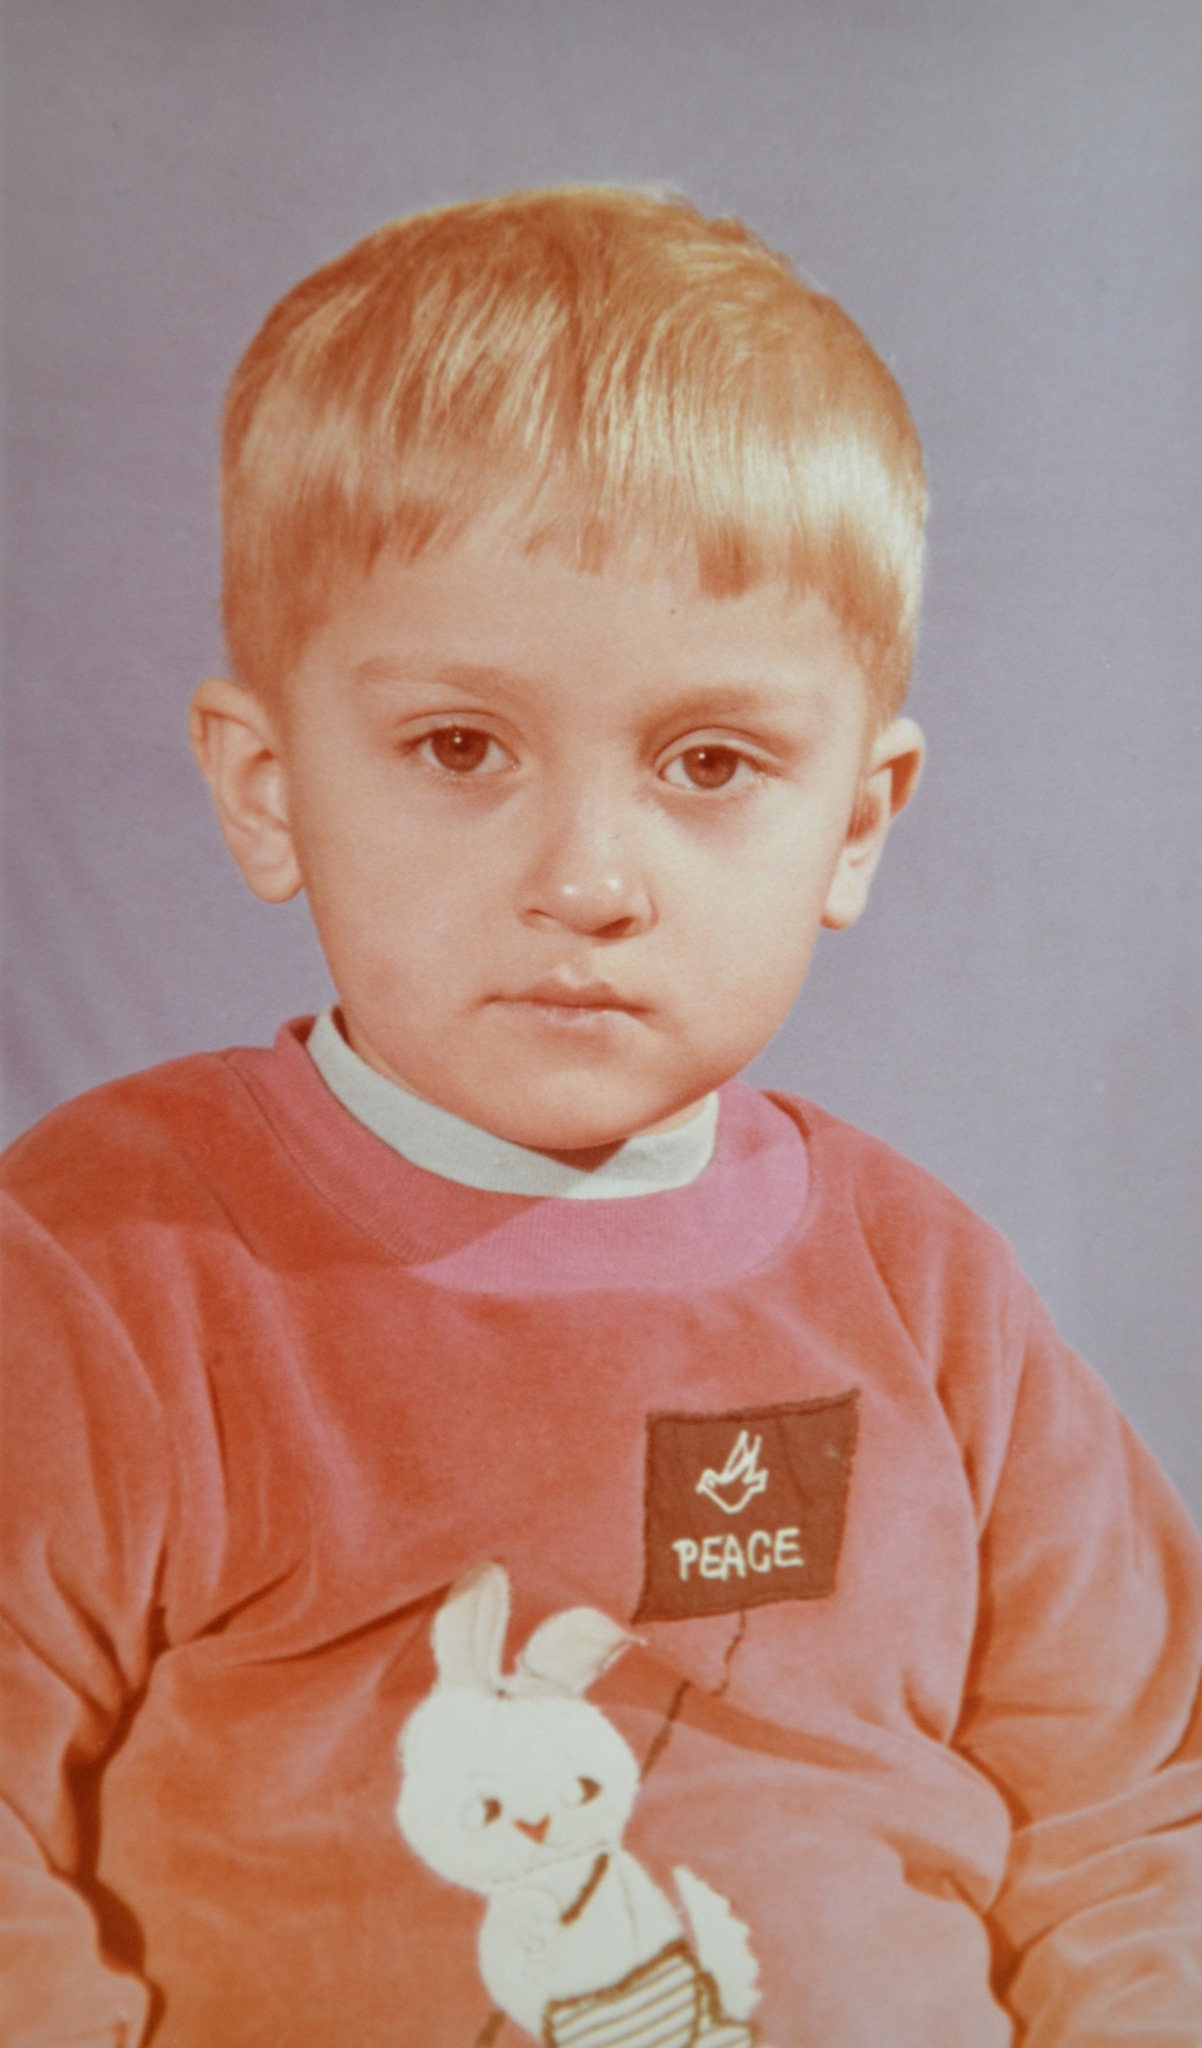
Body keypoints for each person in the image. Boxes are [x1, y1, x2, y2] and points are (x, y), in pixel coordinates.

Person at [1, 186, 1198, 2048]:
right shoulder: (104, 1267)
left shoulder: (931, 1298)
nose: (585, 879)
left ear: (853, 824)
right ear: (268, 786)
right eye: (460, 748)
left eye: (707, 763)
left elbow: (1136, 1832)